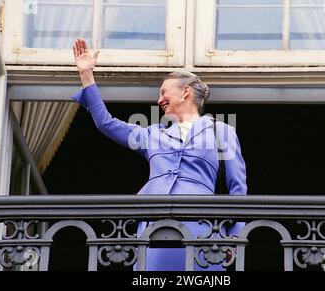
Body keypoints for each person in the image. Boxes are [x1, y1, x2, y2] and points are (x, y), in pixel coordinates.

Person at [71, 39, 247, 271]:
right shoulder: (153, 134)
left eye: (164, 92)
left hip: (203, 229)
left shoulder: (220, 131)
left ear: (185, 92)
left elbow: (238, 189)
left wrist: (234, 238)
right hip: (153, 228)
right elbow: (106, 123)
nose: (158, 100)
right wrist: (86, 76)